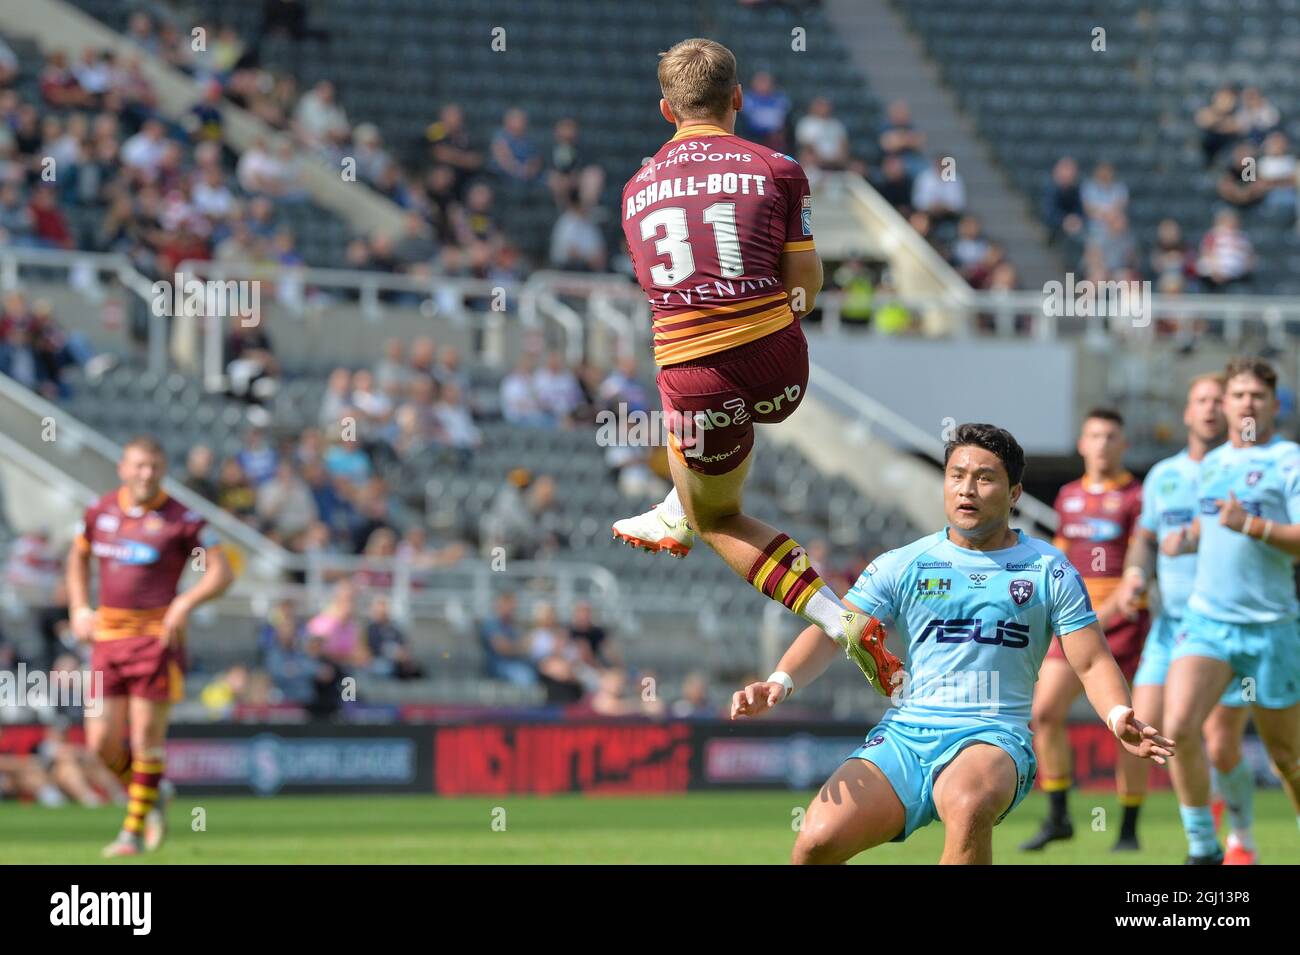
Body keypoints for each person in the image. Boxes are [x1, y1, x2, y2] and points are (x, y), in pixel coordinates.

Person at [731, 423, 1174, 864]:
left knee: (967, 802)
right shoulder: (902, 563)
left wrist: (1118, 715)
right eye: (956, 475)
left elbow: (1093, 661)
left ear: (1015, 493)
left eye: (984, 477)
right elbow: (835, 631)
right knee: (815, 843)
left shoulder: (1048, 568)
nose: (967, 489)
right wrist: (780, 682)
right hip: (907, 735)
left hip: (994, 737)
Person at [611, 38, 899, 692]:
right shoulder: (777, 166)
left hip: (697, 375)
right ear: (739, 99)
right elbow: (808, 280)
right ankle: (675, 503)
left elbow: (663, 287)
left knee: (717, 515)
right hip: (779, 364)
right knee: (710, 389)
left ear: (665, 110)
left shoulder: (634, 190)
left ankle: (836, 616)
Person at [1113, 374, 1260, 863]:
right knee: (1156, 729)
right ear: (1187, 412)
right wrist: (1135, 573)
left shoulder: (1244, 470)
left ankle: (1241, 835)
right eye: (1202, 400)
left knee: (1220, 744)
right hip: (1169, 626)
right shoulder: (1163, 476)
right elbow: (1146, 538)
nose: (1211, 408)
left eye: (1221, 400)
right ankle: (1203, 847)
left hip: (1225, 627)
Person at [67, 435, 234, 856]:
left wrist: (184, 603)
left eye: (154, 467)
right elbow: (77, 556)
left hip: (156, 642)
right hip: (107, 641)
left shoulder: (183, 519)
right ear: (123, 467)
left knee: (145, 740)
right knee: (101, 743)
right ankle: (151, 793)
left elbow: (221, 572)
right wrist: (78, 607)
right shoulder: (100, 511)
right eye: (139, 466)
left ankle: (131, 832)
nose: (146, 474)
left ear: (163, 471)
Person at [1162, 357, 1300, 863]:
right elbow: (1213, 525)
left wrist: (1253, 526)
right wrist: (1189, 540)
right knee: (1177, 727)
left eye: (1257, 396)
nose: (1246, 403)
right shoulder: (1213, 464)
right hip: (1207, 624)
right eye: (1237, 395)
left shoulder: (1290, 461)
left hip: (1271, 628)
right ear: (1224, 404)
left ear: (1272, 404)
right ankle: (1203, 849)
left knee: (1288, 759)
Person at [1021, 409, 1152, 853]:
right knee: (1044, 714)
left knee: (1127, 726)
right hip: (1073, 620)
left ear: (1123, 445)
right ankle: (1059, 817)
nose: (1101, 444)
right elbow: (1060, 557)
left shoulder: (1136, 496)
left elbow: (1139, 561)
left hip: (1120, 625)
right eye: (1094, 435)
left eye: (1111, 436)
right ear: (1081, 443)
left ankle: (1128, 829)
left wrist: (1118, 605)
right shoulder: (1068, 496)